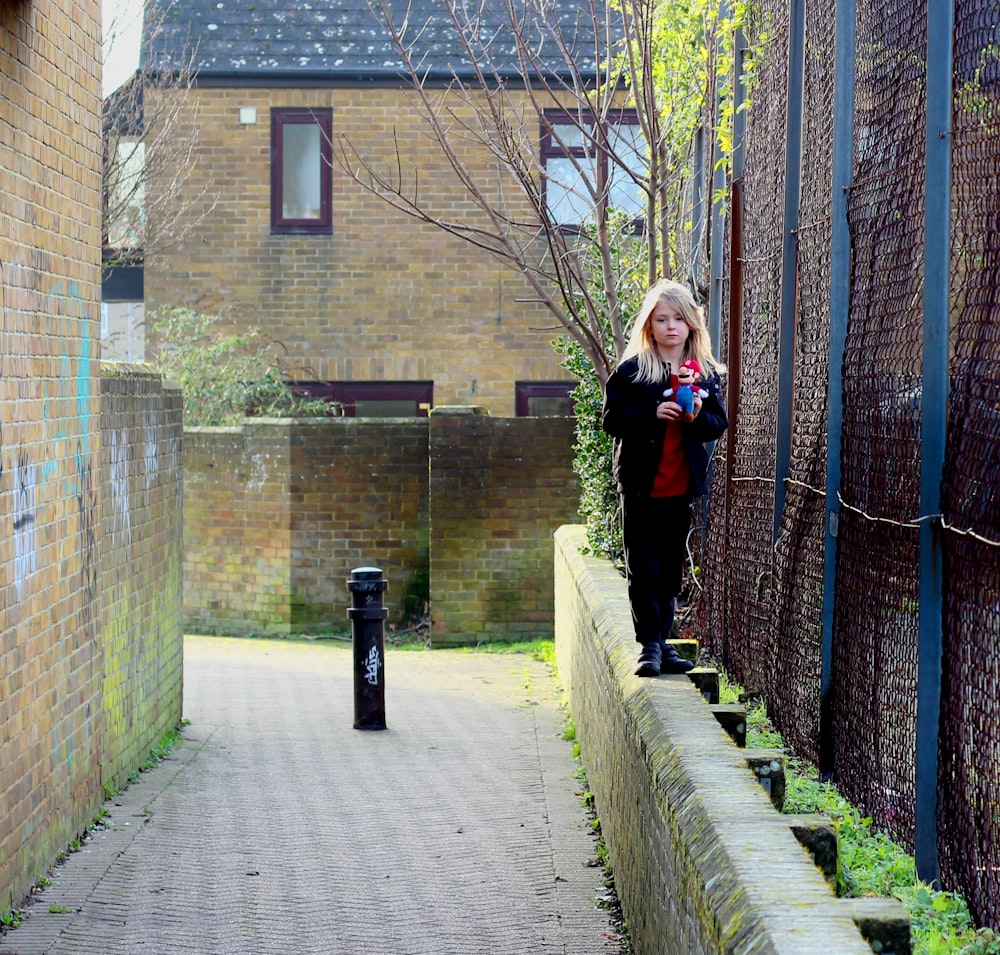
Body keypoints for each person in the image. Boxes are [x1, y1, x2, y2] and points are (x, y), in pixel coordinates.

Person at [602, 279, 728, 677]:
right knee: (643, 566)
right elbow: (612, 420)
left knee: (670, 568)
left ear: (692, 323)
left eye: (678, 318)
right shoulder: (633, 372)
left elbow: (716, 424)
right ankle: (649, 646)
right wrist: (652, 413)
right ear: (649, 326)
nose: (670, 326)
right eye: (661, 319)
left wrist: (693, 419)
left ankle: (663, 642)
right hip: (641, 484)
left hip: (681, 484)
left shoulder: (704, 374)